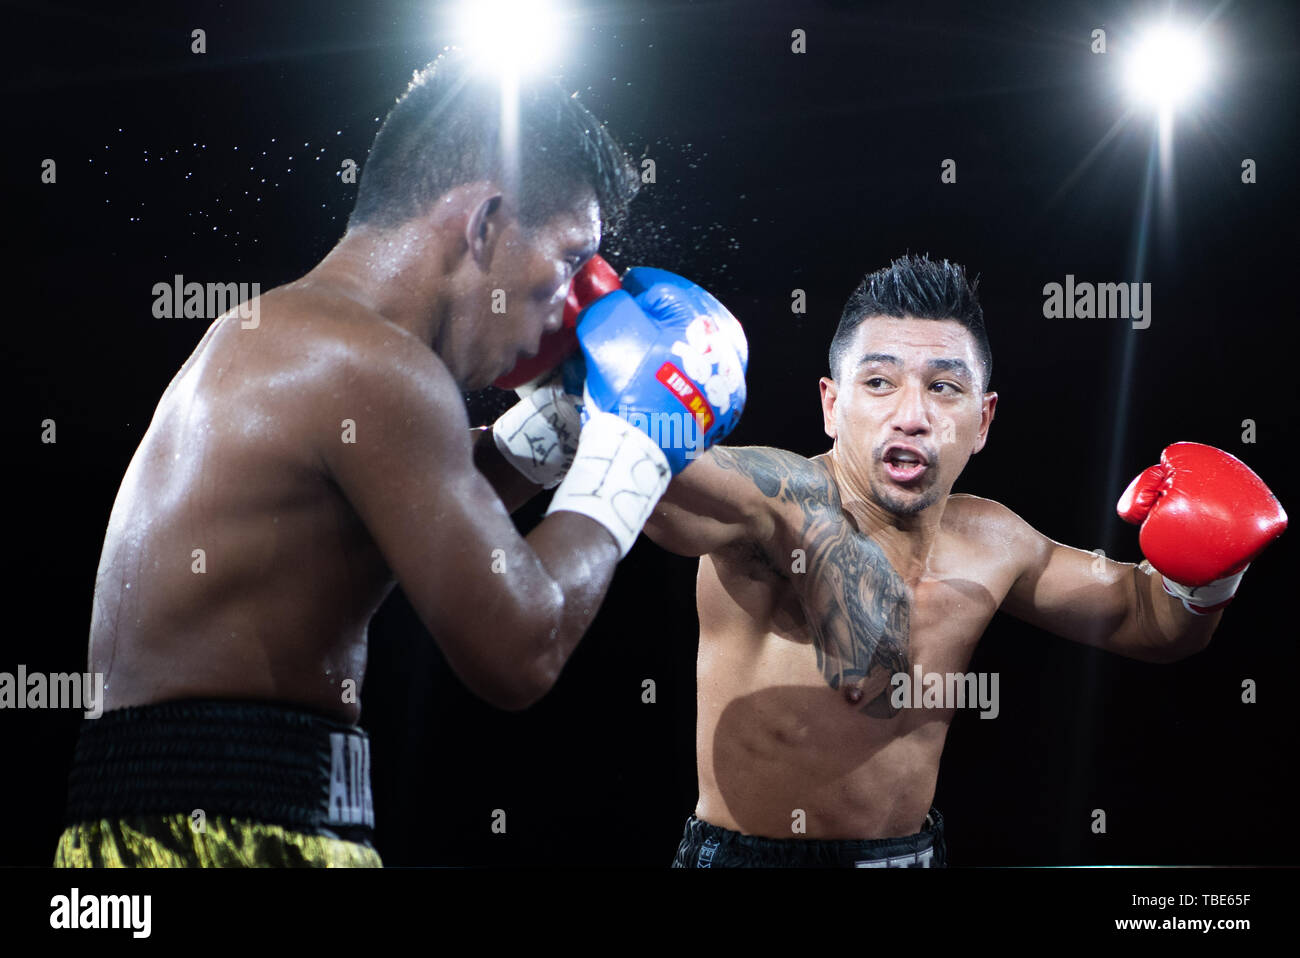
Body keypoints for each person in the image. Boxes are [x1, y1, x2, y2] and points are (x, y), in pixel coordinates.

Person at [55, 51, 748, 867]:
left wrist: (564, 427)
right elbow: (520, 647)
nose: (578, 303)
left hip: (158, 833)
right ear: (485, 221)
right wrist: (633, 445)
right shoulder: (374, 364)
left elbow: (424, 498)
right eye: (569, 260)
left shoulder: (279, 335)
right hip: (233, 838)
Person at [646, 253, 1286, 868]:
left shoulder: (993, 541)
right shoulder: (776, 501)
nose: (914, 415)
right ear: (831, 406)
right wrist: (613, 405)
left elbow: (1151, 621)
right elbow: (671, 489)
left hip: (915, 853)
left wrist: (1216, 565)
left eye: (944, 387)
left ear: (983, 420)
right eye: (878, 382)